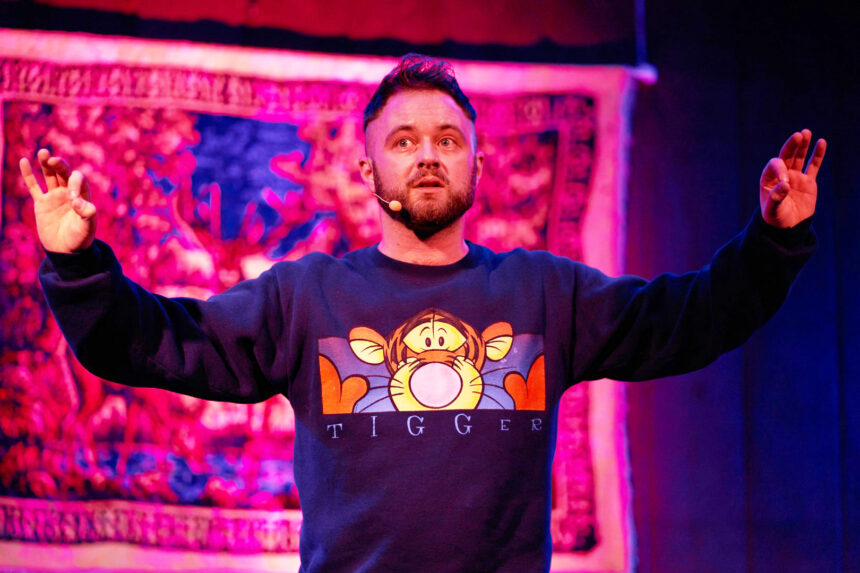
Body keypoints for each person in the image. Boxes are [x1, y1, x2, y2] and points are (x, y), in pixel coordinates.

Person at [20, 54, 826, 572]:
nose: (429, 154)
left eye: (447, 139)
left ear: (478, 161)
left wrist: (772, 242)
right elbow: (160, 343)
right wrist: (77, 264)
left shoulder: (544, 293)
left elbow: (687, 319)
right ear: (368, 169)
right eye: (403, 141)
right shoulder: (307, 295)